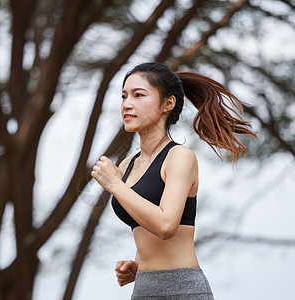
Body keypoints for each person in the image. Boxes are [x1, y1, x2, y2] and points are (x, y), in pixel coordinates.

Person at [91, 62, 256, 299]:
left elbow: (166, 225)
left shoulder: (179, 157)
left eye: (138, 95)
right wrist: (138, 265)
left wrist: (115, 185)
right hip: (144, 290)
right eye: (124, 96)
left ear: (168, 103)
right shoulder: (126, 166)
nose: (127, 104)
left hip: (182, 288)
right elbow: (144, 221)